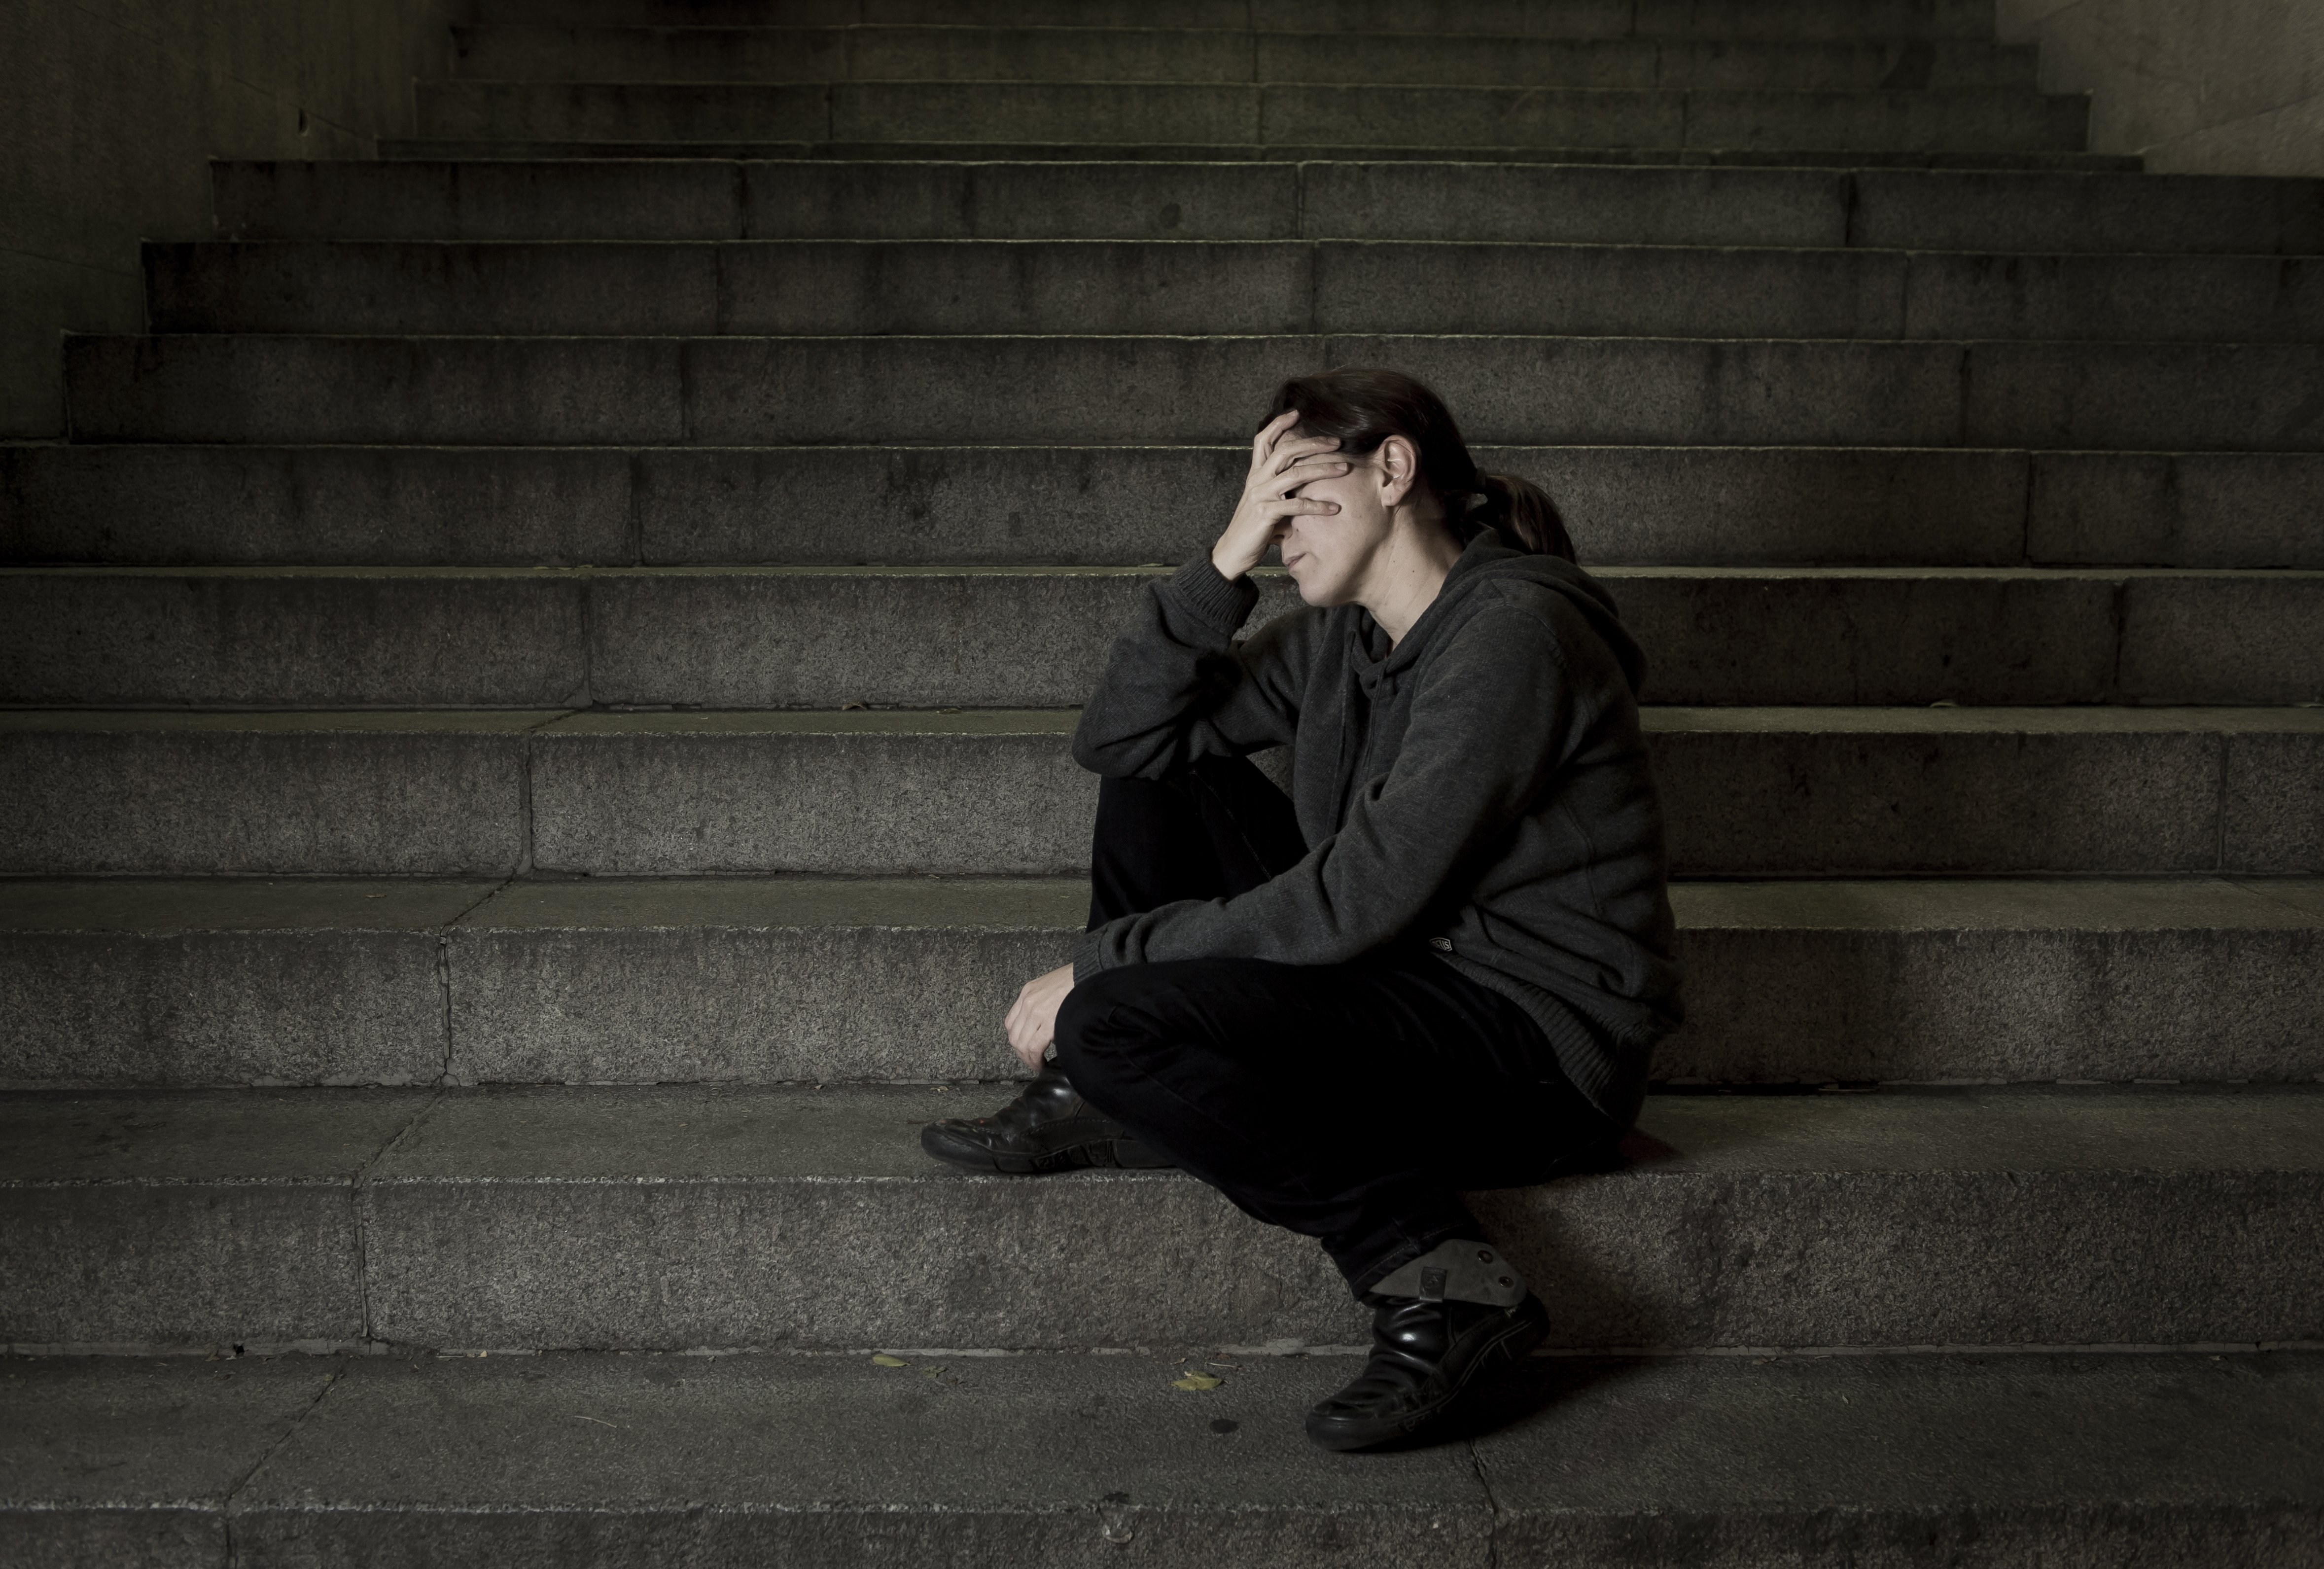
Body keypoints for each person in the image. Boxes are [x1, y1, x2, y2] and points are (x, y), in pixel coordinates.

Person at [921, 367, 1683, 1451]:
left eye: (1295, 497)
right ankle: (1111, 1087)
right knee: (1169, 759)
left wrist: (1110, 964)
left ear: (1392, 469)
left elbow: (1363, 891)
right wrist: (1221, 563)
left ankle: (1440, 1279)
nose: (1274, 530)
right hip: (1408, 976)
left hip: (1533, 1048)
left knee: (1115, 1017)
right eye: (1259, 505)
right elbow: (1122, 740)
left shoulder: (1514, 632)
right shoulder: (1342, 637)